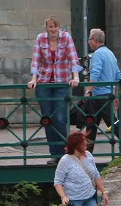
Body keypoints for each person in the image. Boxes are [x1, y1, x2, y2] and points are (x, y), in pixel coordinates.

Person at [28, 16, 82, 164]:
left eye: (55, 27)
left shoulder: (66, 38)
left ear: (59, 27)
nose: (53, 30)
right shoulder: (40, 39)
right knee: (48, 120)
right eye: (50, 27)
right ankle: (55, 155)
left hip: (61, 83)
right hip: (44, 84)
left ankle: (66, 153)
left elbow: (73, 57)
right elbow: (36, 60)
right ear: (46, 28)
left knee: (59, 119)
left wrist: (75, 77)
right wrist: (34, 79)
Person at [83, 28, 120, 151]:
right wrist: (115, 94)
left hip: (99, 96)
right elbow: (117, 76)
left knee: (102, 124)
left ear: (94, 40)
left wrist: (88, 91)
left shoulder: (97, 54)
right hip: (108, 94)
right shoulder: (110, 54)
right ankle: (87, 153)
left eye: (89, 39)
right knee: (92, 124)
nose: (88, 42)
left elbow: (95, 74)